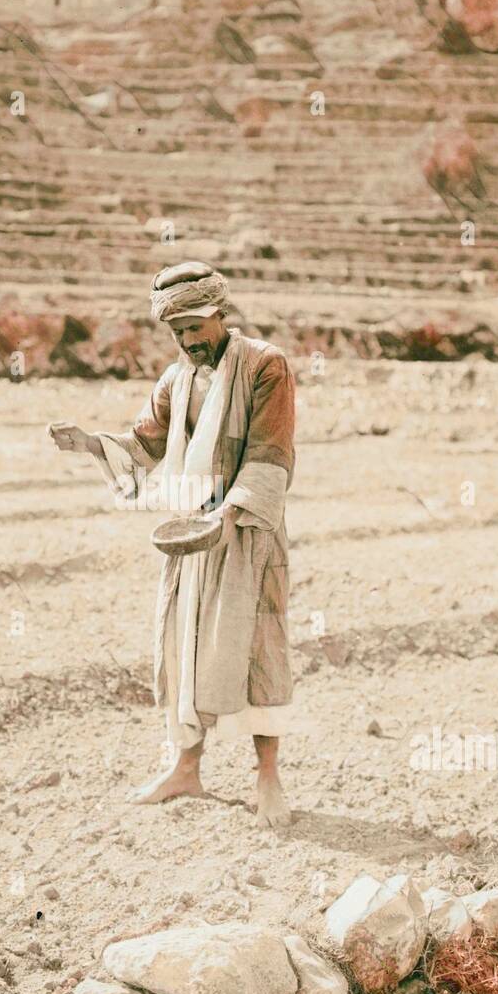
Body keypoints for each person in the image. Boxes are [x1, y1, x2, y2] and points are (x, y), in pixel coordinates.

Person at [48, 261, 295, 827]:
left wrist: (230, 514)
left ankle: (268, 779)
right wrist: (89, 443)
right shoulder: (175, 380)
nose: (188, 341)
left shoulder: (265, 366)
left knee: (257, 648)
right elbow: (142, 445)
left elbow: (270, 452)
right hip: (192, 536)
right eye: (177, 331)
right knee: (184, 647)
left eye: (195, 327)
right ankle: (186, 768)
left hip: (248, 534)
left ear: (220, 314)